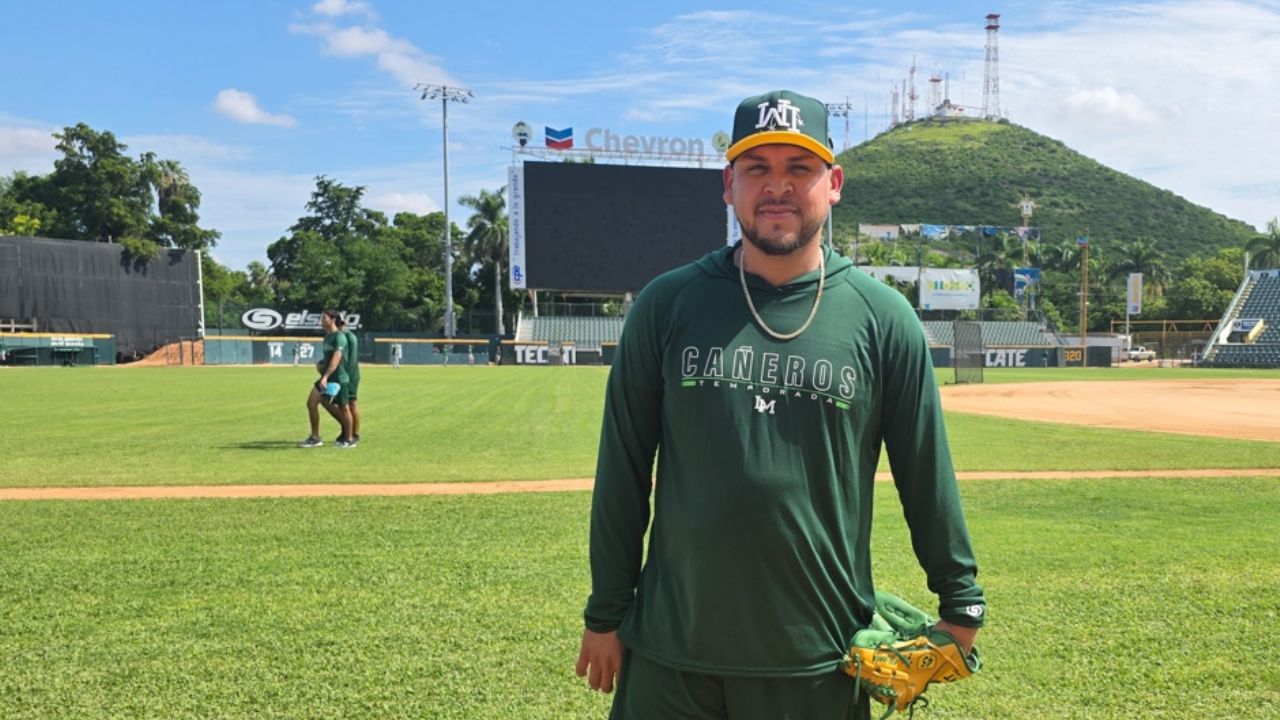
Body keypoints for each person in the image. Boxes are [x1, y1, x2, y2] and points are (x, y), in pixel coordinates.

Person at [574, 90, 985, 720]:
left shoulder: (882, 318)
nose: (777, 186)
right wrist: (606, 613)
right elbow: (623, 470)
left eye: (799, 167)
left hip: (817, 659)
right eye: (756, 167)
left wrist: (962, 605)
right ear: (728, 185)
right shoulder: (667, 304)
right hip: (671, 654)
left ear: (834, 183)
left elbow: (925, 472)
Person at [298, 309, 353, 448]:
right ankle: (315, 437)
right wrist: (321, 364)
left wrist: (326, 376)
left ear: (333, 320)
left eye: (324, 318)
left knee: (344, 408)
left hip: (339, 378)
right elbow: (329, 358)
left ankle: (349, 439)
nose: (321, 321)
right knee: (312, 403)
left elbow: (337, 358)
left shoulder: (339, 337)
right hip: (327, 377)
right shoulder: (327, 337)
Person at [338, 317, 361, 446]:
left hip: (348, 374)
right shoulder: (349, 335)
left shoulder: (345, 336)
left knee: (350, 403)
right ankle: (350, 431)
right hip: (350, 373)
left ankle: (353, 433)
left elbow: (346, 358)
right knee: (348, 403)